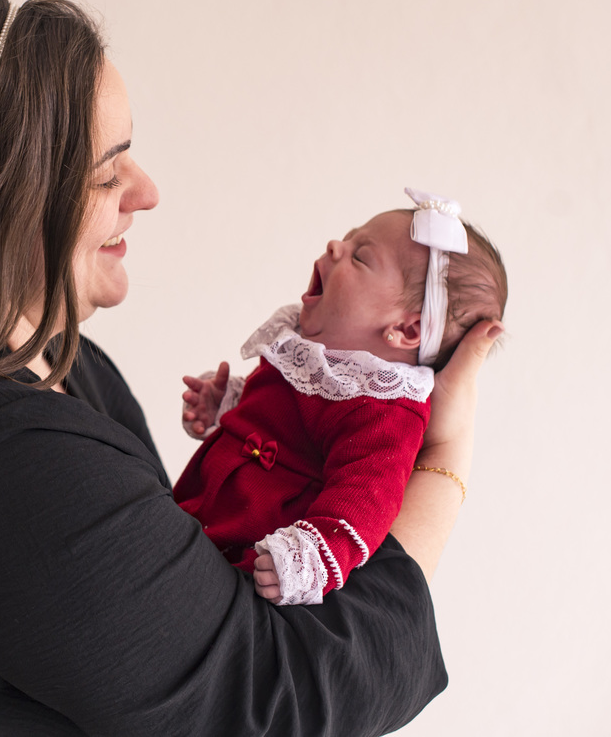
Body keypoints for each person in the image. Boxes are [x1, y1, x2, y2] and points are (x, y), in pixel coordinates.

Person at [0, 0, 503, 737]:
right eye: (106, 173)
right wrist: (442, 454)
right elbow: (271, 704)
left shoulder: (67, 370)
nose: (147, 193)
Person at [176, 194, 507, 605]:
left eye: (360, 257)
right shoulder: (309, 355)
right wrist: (226, 406)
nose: (335, 246)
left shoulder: (386, 407)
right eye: (348, 240)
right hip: (194, 518)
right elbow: (276, 419)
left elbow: (367, 497)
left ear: (405, 330)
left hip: (245, 567)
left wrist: (308, 558)